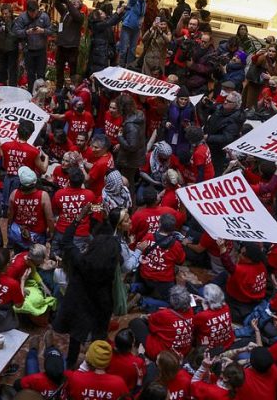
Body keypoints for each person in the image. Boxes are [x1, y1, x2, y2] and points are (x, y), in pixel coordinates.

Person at [53, 203, 120, 369]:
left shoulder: (80, 261)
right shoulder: (109, 268)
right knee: (98, 336)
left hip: (79, 305)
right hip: (100, 306)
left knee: (76, 338)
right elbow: (109, 245)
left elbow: (66, 241)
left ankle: (70, 364)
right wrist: (105, 221)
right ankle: (96, 364)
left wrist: (78, 218)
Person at [129, 285, 195, 361]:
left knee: (136, 323)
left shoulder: (165, 314)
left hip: (163, 356)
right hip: (182, 353)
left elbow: (150, 323)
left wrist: (160, 313)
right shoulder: (190, 311)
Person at [13, 0, 51, 92]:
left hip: (41, 50)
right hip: (28, 50)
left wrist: (42, 31)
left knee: (41, 74)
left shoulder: (44, 16)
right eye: (31, 13)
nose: (33, 15)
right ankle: (31, 93)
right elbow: (16, 32)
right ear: (27, 11)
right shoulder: (22, 18)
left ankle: (41, 95)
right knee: (30, 74)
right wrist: (26, 32)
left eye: (35, 12)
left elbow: (51, 30)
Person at [114, 93, 146, 186]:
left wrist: (120, 137)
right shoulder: (139, 114)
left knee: (127, 183)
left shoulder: (131, 125)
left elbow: (132, 146)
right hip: (135, 157)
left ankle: (130, 200)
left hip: (130, 160)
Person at [194, 283, 236, 352]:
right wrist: (203, 300)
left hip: (210, 349)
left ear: (208, 300)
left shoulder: (202, 315)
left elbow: (193, 328)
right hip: (227, 343)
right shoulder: (226, 307)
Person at [118, 0, 148, 67]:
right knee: (123, 49)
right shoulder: (133, 0)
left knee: (132, 49)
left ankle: (128, 66)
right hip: (127, 26)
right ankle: (120, 65)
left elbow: (142, 15)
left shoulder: (144, 3)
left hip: (136, 29)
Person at [54, 0, 85, 82]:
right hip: (61, 45)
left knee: (72, 70)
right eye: (73, 1)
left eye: (77, 2)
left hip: (72, 47)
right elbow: (56, 4)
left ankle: (72, 88)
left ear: (80, 5)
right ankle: (59, 87)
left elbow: (75, 14)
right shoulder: (65, 12)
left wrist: (68, 2)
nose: (74, 2)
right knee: (59, 69)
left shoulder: (80, 15)